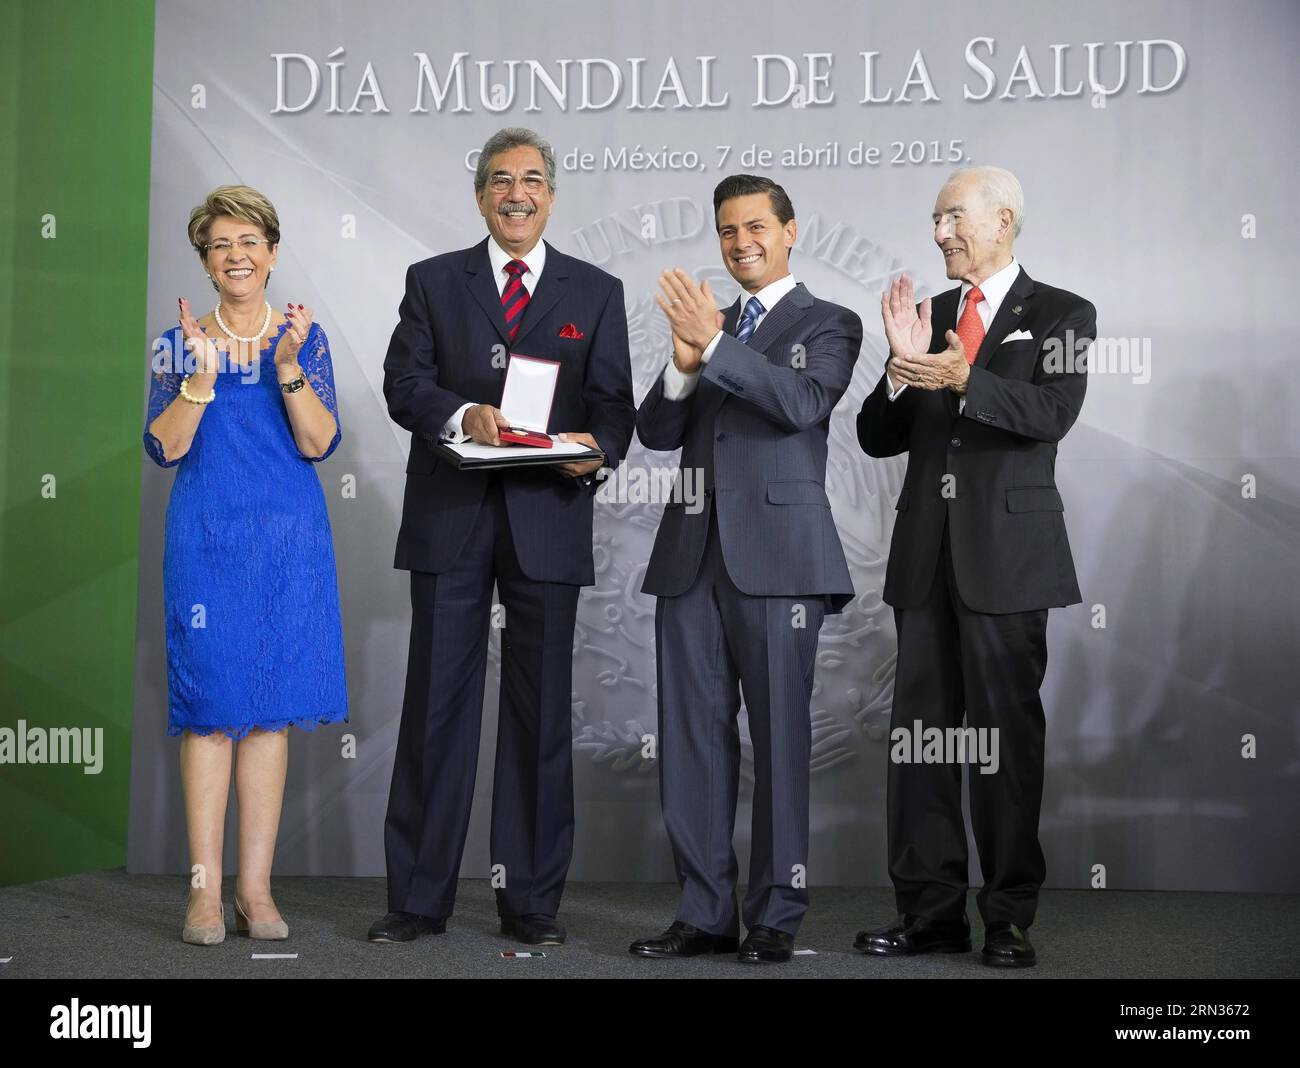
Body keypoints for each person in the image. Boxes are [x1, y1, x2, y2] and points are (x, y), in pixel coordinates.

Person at [370, 127, 635, 946]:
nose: (515, 193)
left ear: (551, 195)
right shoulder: (432, 280)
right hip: (452, 516)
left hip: (548, 520)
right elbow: (404, 382)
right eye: (499, 180)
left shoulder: (595, 290)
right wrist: (462, 415)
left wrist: (595, 452)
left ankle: (530, 905)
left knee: (540, 714)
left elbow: (614, 408)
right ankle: (417, 901)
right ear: (479, 195)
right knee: (435, 711)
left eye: (530, 180)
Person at [855, 166, 1096, 967]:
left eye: (953, 217)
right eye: (933, 220)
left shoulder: (1062, 312)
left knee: (1003, 743)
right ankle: (928, 914)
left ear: (1004, 220)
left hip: (1007, 564)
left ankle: (1007, 917)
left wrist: (966, 377)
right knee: (922, 742)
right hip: (925, 564)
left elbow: (1053, 414)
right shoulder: (932, 314)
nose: (939, 233)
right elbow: (877, 437)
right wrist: (898, 364)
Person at [630, 175, 862, 964]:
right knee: (692, 740)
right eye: (727, 231)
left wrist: (719, 347)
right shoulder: (708, 325)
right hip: (691, 560)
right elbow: (658, 432)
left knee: (782, 740)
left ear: (791, 231)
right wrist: (685, 363)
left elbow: (800, 403)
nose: (741, 243)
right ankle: (702, 913)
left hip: (782, 564)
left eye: (756, 227)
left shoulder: (831, 322)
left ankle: (775, 915)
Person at [143, 184, 348, 945]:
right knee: (210, 715)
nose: (236, 256)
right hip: (207, 544)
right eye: (220, 245)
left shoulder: (306, 338)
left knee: (266, 717)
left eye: (249, 242)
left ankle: (255, 893)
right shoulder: (178, 341)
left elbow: (319, 443)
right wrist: (199, 376)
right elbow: (165, 447)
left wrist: (288, 364)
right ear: (205, 260)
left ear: (272, 252)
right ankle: (203, 896)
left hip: (288, 546)